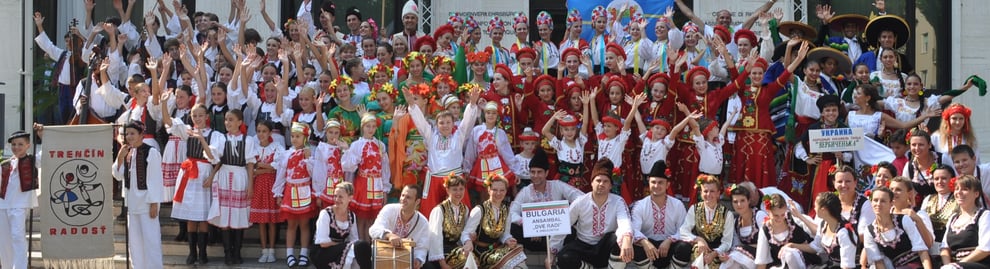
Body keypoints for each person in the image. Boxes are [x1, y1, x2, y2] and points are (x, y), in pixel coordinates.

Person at [404, 85, 480, 216]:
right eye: (441, 123)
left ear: (453, 123)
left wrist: (472, 104)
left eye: (448, 122)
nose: (445, 126)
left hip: (455, 179)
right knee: (432, 213)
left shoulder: (458, 136)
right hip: (435, 179)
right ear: (436, 125)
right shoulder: (431, 137)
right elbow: (421, 123)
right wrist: (412, 104)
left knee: (458, 212)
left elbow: (467, 122)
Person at [549, 159, 635, 269]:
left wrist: (627, 238)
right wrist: (552, 252)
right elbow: (564, 225)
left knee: (619, 239)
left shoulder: (618, 201)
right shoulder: (580, 201)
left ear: (610, 185)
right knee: (563, 258)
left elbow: (624, 221)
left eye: (605, 181)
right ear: (592, 183)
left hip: (605, 247)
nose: (601, 184)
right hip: (583, 246)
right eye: (598, 180)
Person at [207, 109, 258, 265]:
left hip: (240, 177)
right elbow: (217, 158)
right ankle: (227, 253)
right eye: (226, 120)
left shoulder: (247, 140)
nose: (227, 122)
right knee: (224, 215)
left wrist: (250, 185)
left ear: (240, 122)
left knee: (238, 215)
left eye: (231, 119)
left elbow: (250, 164)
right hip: (224, 176)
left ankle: (237, 252)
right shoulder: (221, 138)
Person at [112, 121, 165, 269]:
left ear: (141, 135)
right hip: (132, 203)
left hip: (147, 204)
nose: (129, 136)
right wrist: (120, 158)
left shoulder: (151, 152)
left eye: (132, 133)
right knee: (134, 242)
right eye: (127, 134)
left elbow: (155, 179)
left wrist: (154, 203)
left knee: (151, 240)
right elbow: (118, 175)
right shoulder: (127, 152)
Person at [509, 149, 584, 252]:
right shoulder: (525, 191)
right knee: (513, 228)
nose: (535, 176)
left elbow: (580, 198)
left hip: (555, 233)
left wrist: (569, 214)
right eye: (532, 172)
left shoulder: (557, 185)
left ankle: (554, 249)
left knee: (571, 231)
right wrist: (530, 226)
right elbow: (512, 212)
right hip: (534, 238)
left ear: (546, 173)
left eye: (539, 172)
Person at [622, 161, 686, 269]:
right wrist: (644, 242)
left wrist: (669, 240)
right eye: (653, 182)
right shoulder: (640, 205)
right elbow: (634, 229)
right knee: (633, 244)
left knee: (685, 247)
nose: (656, 186)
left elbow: (684, 229)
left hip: (669, 248)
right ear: (649, 183)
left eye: (660, 182)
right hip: (648, 250)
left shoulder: (677, 204)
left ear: (667, 185)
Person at [273, 122, 320, 267]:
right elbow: (281, 174)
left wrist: (308, 159)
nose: (294, 139)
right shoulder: (287, 154)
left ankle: (304, 253)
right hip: (290, 191)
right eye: (292, 136)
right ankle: (289, 254)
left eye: (298, 136)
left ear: (305, 137)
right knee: (291, 224)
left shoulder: (310, 153)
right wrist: (278, 193)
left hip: (305, 191)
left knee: (304, 224)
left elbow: (314, 174)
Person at [342, 113, 391, 241]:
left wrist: (385, 189)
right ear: (362, 127)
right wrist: (350, 153)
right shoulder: (357, 145)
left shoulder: (380, 145)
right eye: (368, 126)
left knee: (373, 219)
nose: (371, 129)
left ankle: (371, 245)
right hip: (362, 184)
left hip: (377, 185)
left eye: (373, 126)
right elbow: (349, 166)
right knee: (361, 218)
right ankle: (361, 244)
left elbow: (385, 168)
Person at [460, 175, 528, 268]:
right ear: (489, 190)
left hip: (497, 248)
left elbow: (505, 234)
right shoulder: (479, 210)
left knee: (518, 251)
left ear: (506, 191)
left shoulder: (506, 210)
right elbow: (465, 233)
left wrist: (508, 240)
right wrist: (468, 242)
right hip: (481, 252)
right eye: (495, 190)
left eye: (502, 190)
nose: (498, 193)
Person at [671, 175, 736, 269]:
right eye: (705, 191)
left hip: (718, 251)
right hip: (699, 249)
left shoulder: (727, 214)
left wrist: (714, 253)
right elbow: (683, 230)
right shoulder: (694, 209)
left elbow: (727, 242)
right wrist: (698, 239)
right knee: (690, 250)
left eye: (712, 191)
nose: (708, 194)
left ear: (718, 193)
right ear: (701, 193)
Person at [862, 187, 933, 269]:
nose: (878, 204)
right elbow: (879, 262)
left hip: (917, 265)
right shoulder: (869, 231)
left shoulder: (904, 220)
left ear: (891, 204)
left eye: (883, 201)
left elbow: (922, 251)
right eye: (875, 200)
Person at [369, 185, 432, 269]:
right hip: (383, 255)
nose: (403, 199)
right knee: (360, 246)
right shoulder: (389, 209)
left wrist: (418, 260)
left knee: (429, 266)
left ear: (417, 201)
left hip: (406, 261)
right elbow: (373, 230)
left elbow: (422, 247)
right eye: (402, 195)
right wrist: (389, 235)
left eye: (408, 197)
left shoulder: (423, 222)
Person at [0, 131, 38, 269]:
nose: (16, 147)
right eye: (14, 144)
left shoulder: (33, 160)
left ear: (28, 145)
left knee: (17, 236)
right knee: (4, 241)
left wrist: (42, 135)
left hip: (21, 204)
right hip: (3, 204)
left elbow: (47, 153)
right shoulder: (5, 164)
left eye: (20, 144)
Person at [313, 182, 373, 269]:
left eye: (340, 197)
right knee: (361, 246)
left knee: (361, 247)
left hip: (341, 249)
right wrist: (345, 245)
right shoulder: (326, 214)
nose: (337, 199)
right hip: (323, 253)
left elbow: (354, 239)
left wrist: (346, 246)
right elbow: (323, 243)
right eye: (335, 196)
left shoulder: (351, 215)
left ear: (350, 198)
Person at [753, 194, 819, 269]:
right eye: (776, 215)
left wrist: (792, 245)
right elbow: (762, 259)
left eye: (782, 214)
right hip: (784, 265)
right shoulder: (765, 229)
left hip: (805, 262)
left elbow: (815, 238)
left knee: (789, 253)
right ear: (768, 211)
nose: (780, 218)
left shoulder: (792, 220)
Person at [249, 121, 284, 264]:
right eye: (258, 131)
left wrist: (260, 166)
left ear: (270, 132)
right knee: (262, 221)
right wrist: (267, 168)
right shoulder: (253, 147)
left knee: (272, 221)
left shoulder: (277, 147)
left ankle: (272, 250)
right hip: (258, 186)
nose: (261, 134)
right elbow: (252, 169)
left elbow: (278, 166)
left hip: (272, 186)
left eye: (264, 131)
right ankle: (264, 250)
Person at [939, 175, 990, 268]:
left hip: (979, 264)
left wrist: (957, 265)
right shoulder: (953, 218)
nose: (959, 192)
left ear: (976, 194)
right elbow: (945, 248)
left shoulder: (984, 216)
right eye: (956, 189)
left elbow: (985, 249)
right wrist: (947, 265)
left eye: (965, 189)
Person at [426, 175, 475, 269]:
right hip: (441, 252)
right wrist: (442, 263)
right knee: (464, 260)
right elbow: (435, 238)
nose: (458, 192)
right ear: (447, 190)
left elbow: (464, 233)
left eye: (461, 189)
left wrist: (468, 241)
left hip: (455, 249)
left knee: (473, 259)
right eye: (455, 189)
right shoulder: (439, 210)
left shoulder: (464, 209)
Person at [722, 184, 767, 269]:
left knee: (736, 257)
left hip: (763, 258)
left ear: (749, 201)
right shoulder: (736, 223)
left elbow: (769, 241)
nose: (739, 204)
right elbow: (736, 245)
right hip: (744, 259)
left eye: (742, 200)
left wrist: (748, 247)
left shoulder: (759, 216)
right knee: (733, 261)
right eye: (735, 202)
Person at [810, 191, 859, 269]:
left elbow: (847, 266)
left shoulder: (843, 233)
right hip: (831, 265)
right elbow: (816, 246)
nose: (814, 209)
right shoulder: (823, 224)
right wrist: (793, 245)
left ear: (823, 210)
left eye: (815, 206)